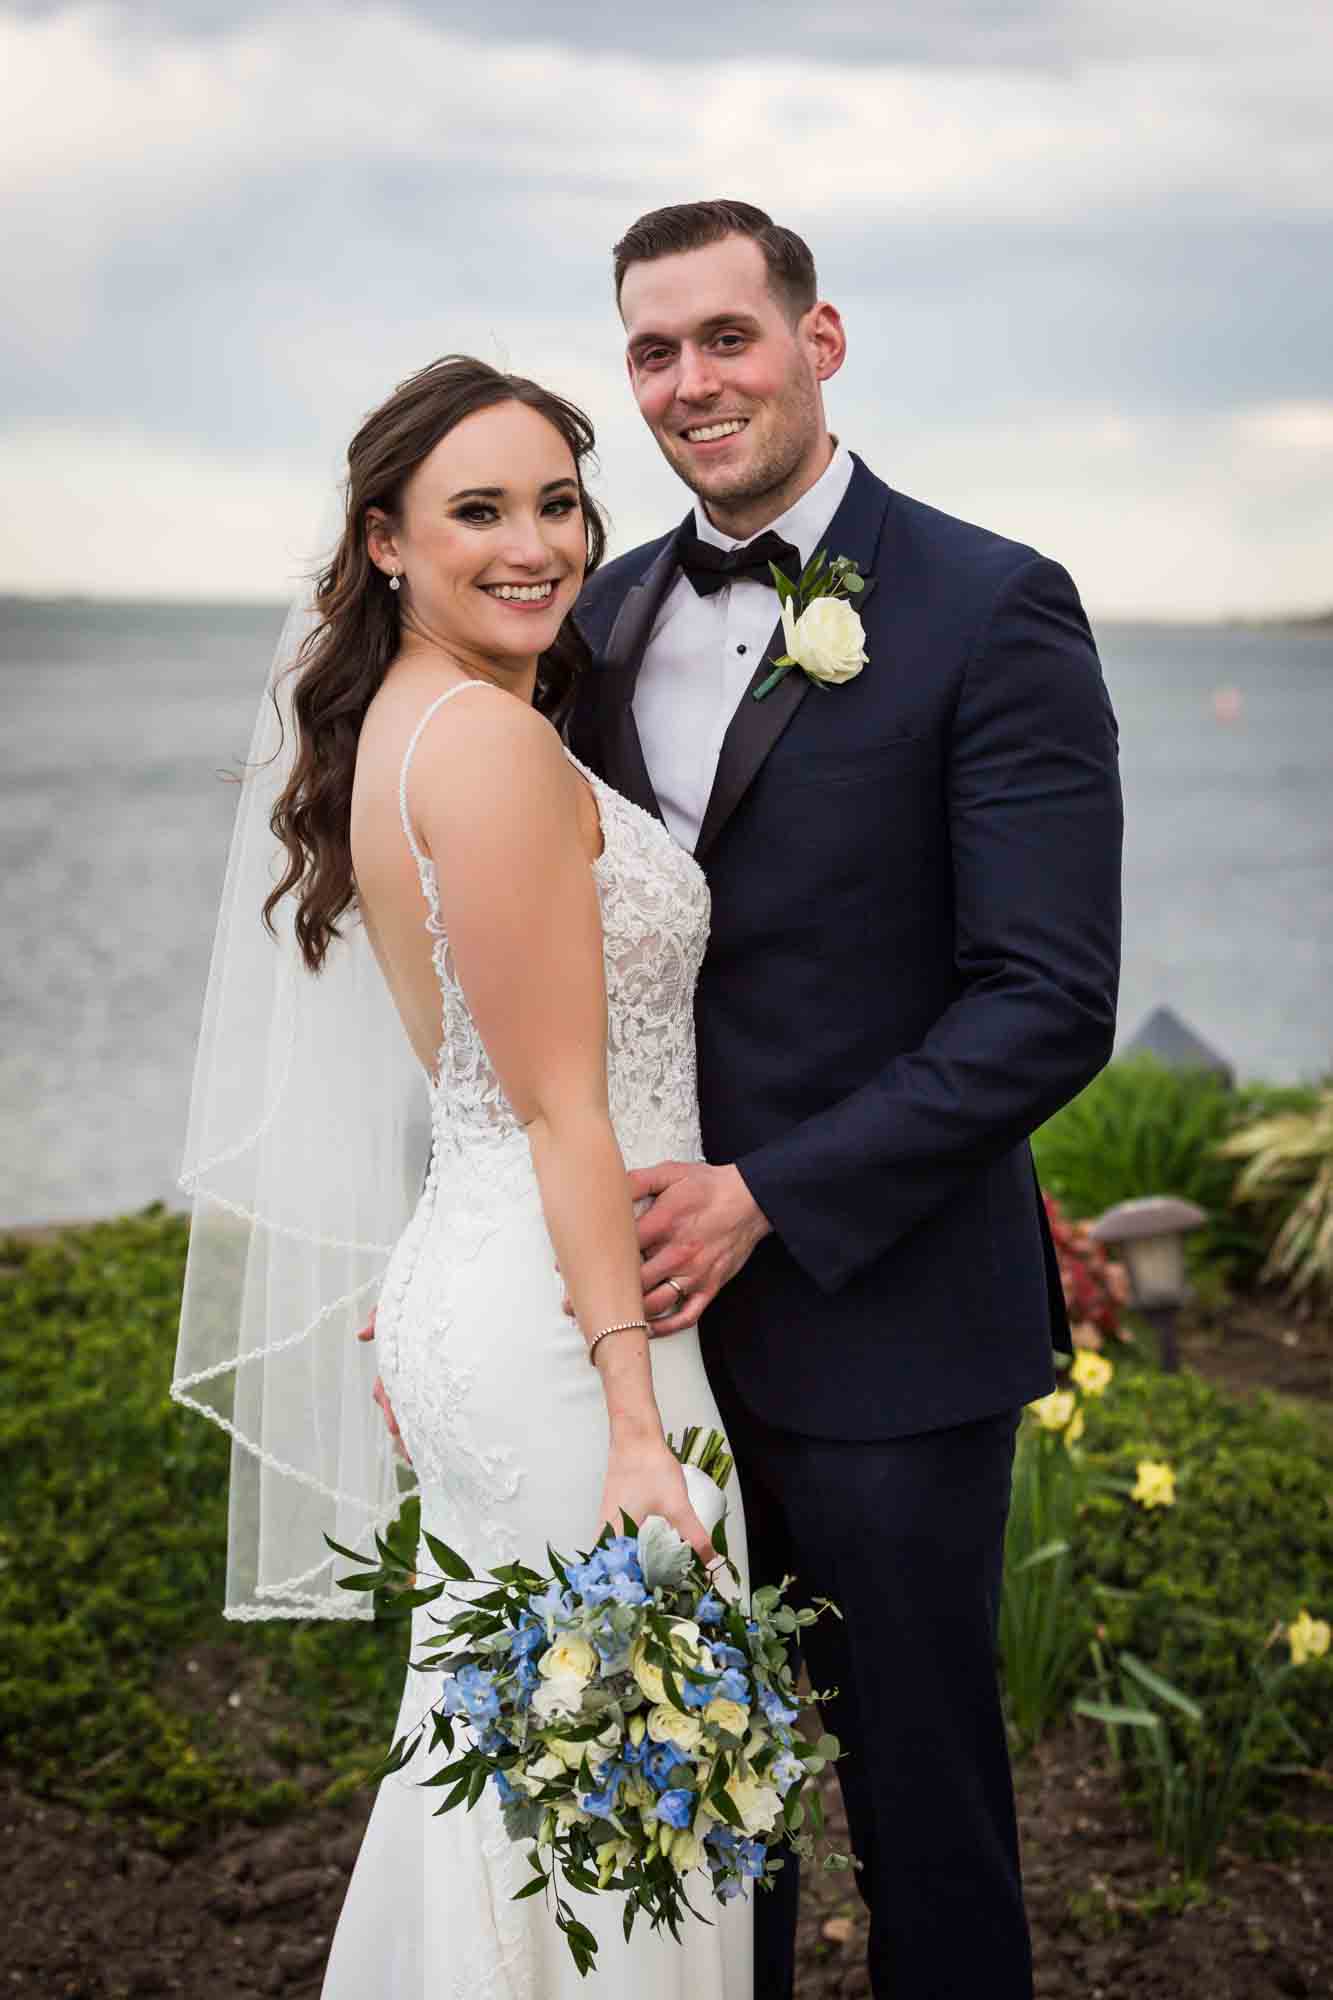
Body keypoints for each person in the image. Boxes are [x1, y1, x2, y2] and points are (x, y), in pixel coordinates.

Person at [567, 200, 1124, 2000]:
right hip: (650, 1345)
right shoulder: (595, 616)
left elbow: (1045, 1003)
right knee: (688, 1815)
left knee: (922, 1813)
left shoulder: (989, 602)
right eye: (653, 350)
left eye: (725, 336)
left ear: (819, 341)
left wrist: (769, 1192)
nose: (689, 381)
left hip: (886, 1328)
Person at [172, 356, 751, 1999]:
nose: (535, 543)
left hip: (502, 1278)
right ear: (384, 545)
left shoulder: (414, 730)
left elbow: (476, 1087)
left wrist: (457, 1281)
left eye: (558, 503)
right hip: (582, 1328)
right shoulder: (488, 752)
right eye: (477, 511)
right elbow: (564, 1112)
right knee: (606, 1806)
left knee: (532, 1774)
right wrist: (636, 1422)